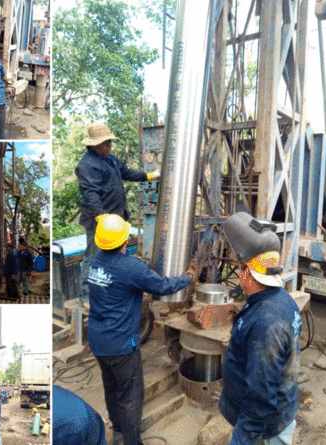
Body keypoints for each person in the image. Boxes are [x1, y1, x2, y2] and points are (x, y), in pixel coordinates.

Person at [87, 214, 194, 445]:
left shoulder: (95, 260)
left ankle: (118, 433)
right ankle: (132, 441)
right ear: (126, 241)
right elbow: (163, 285)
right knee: (131, 396)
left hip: (98, 341)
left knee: (112, 388)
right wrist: (187, 278)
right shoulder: (131, 268)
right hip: (121, 345)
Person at [219, 212, 301, 445]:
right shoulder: (282, 300)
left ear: (247, 273)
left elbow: (261, 392)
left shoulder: (266, 324)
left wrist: (243, 436)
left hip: (264, 429)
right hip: (274, 415)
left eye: (239, 267)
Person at [75, 122, 159, 300]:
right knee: (94, 257)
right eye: (107, 143)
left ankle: (108, 292)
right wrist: (101, 216)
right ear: (96, 145)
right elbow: (90, 192)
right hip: (100, 222)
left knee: (113, 259)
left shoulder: (110, 159)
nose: (110, 146)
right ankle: (85, 297)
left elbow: (127, 172)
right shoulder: (87, 164)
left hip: (116, 220)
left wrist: (149, 176)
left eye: (110, 143)